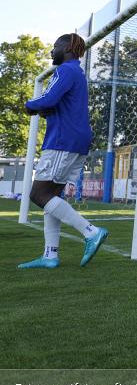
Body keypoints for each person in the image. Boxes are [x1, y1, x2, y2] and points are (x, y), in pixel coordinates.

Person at [19, 33, 107, 270]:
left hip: (62, 141)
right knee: (51, 197)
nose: (51, 51)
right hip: (76, 140)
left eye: (55, 46)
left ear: (67, 47)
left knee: (38, 195)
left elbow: (48, 99)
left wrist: (30, 105)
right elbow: (59, 105)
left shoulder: (66, 70)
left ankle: (91, 232)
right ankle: (50, 255)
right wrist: (47, 110)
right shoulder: (77, 73)